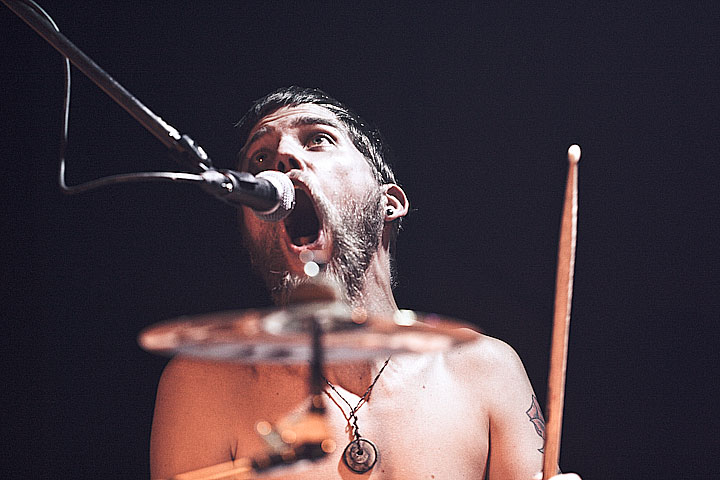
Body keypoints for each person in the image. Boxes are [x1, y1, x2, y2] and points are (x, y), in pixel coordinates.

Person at [150, 86, 581, 480]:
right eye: (259, 160)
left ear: (388, 202)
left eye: (317, 139)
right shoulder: (203, 384)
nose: (281, 157)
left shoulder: (485, 369)